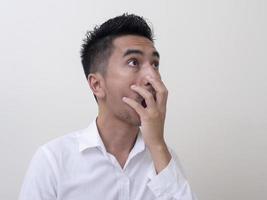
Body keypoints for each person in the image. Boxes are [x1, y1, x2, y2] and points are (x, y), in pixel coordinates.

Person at [19, 13, 197, 200]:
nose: (153, 78)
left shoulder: (163, 159)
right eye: (133, 62)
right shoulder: (53, 161)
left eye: (155, 64)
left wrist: (158, 144)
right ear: (97, 85)